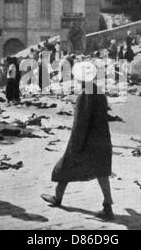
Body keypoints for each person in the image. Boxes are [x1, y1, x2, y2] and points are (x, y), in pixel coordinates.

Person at [41, 61, 114, 220]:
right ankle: (108, 206)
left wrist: (74, 145)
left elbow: (80, 123)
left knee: (65, 167)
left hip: (86, 141)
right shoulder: (99, 91)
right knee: (102, 172)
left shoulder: (84, 95)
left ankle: (57, 198)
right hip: (102, 139)